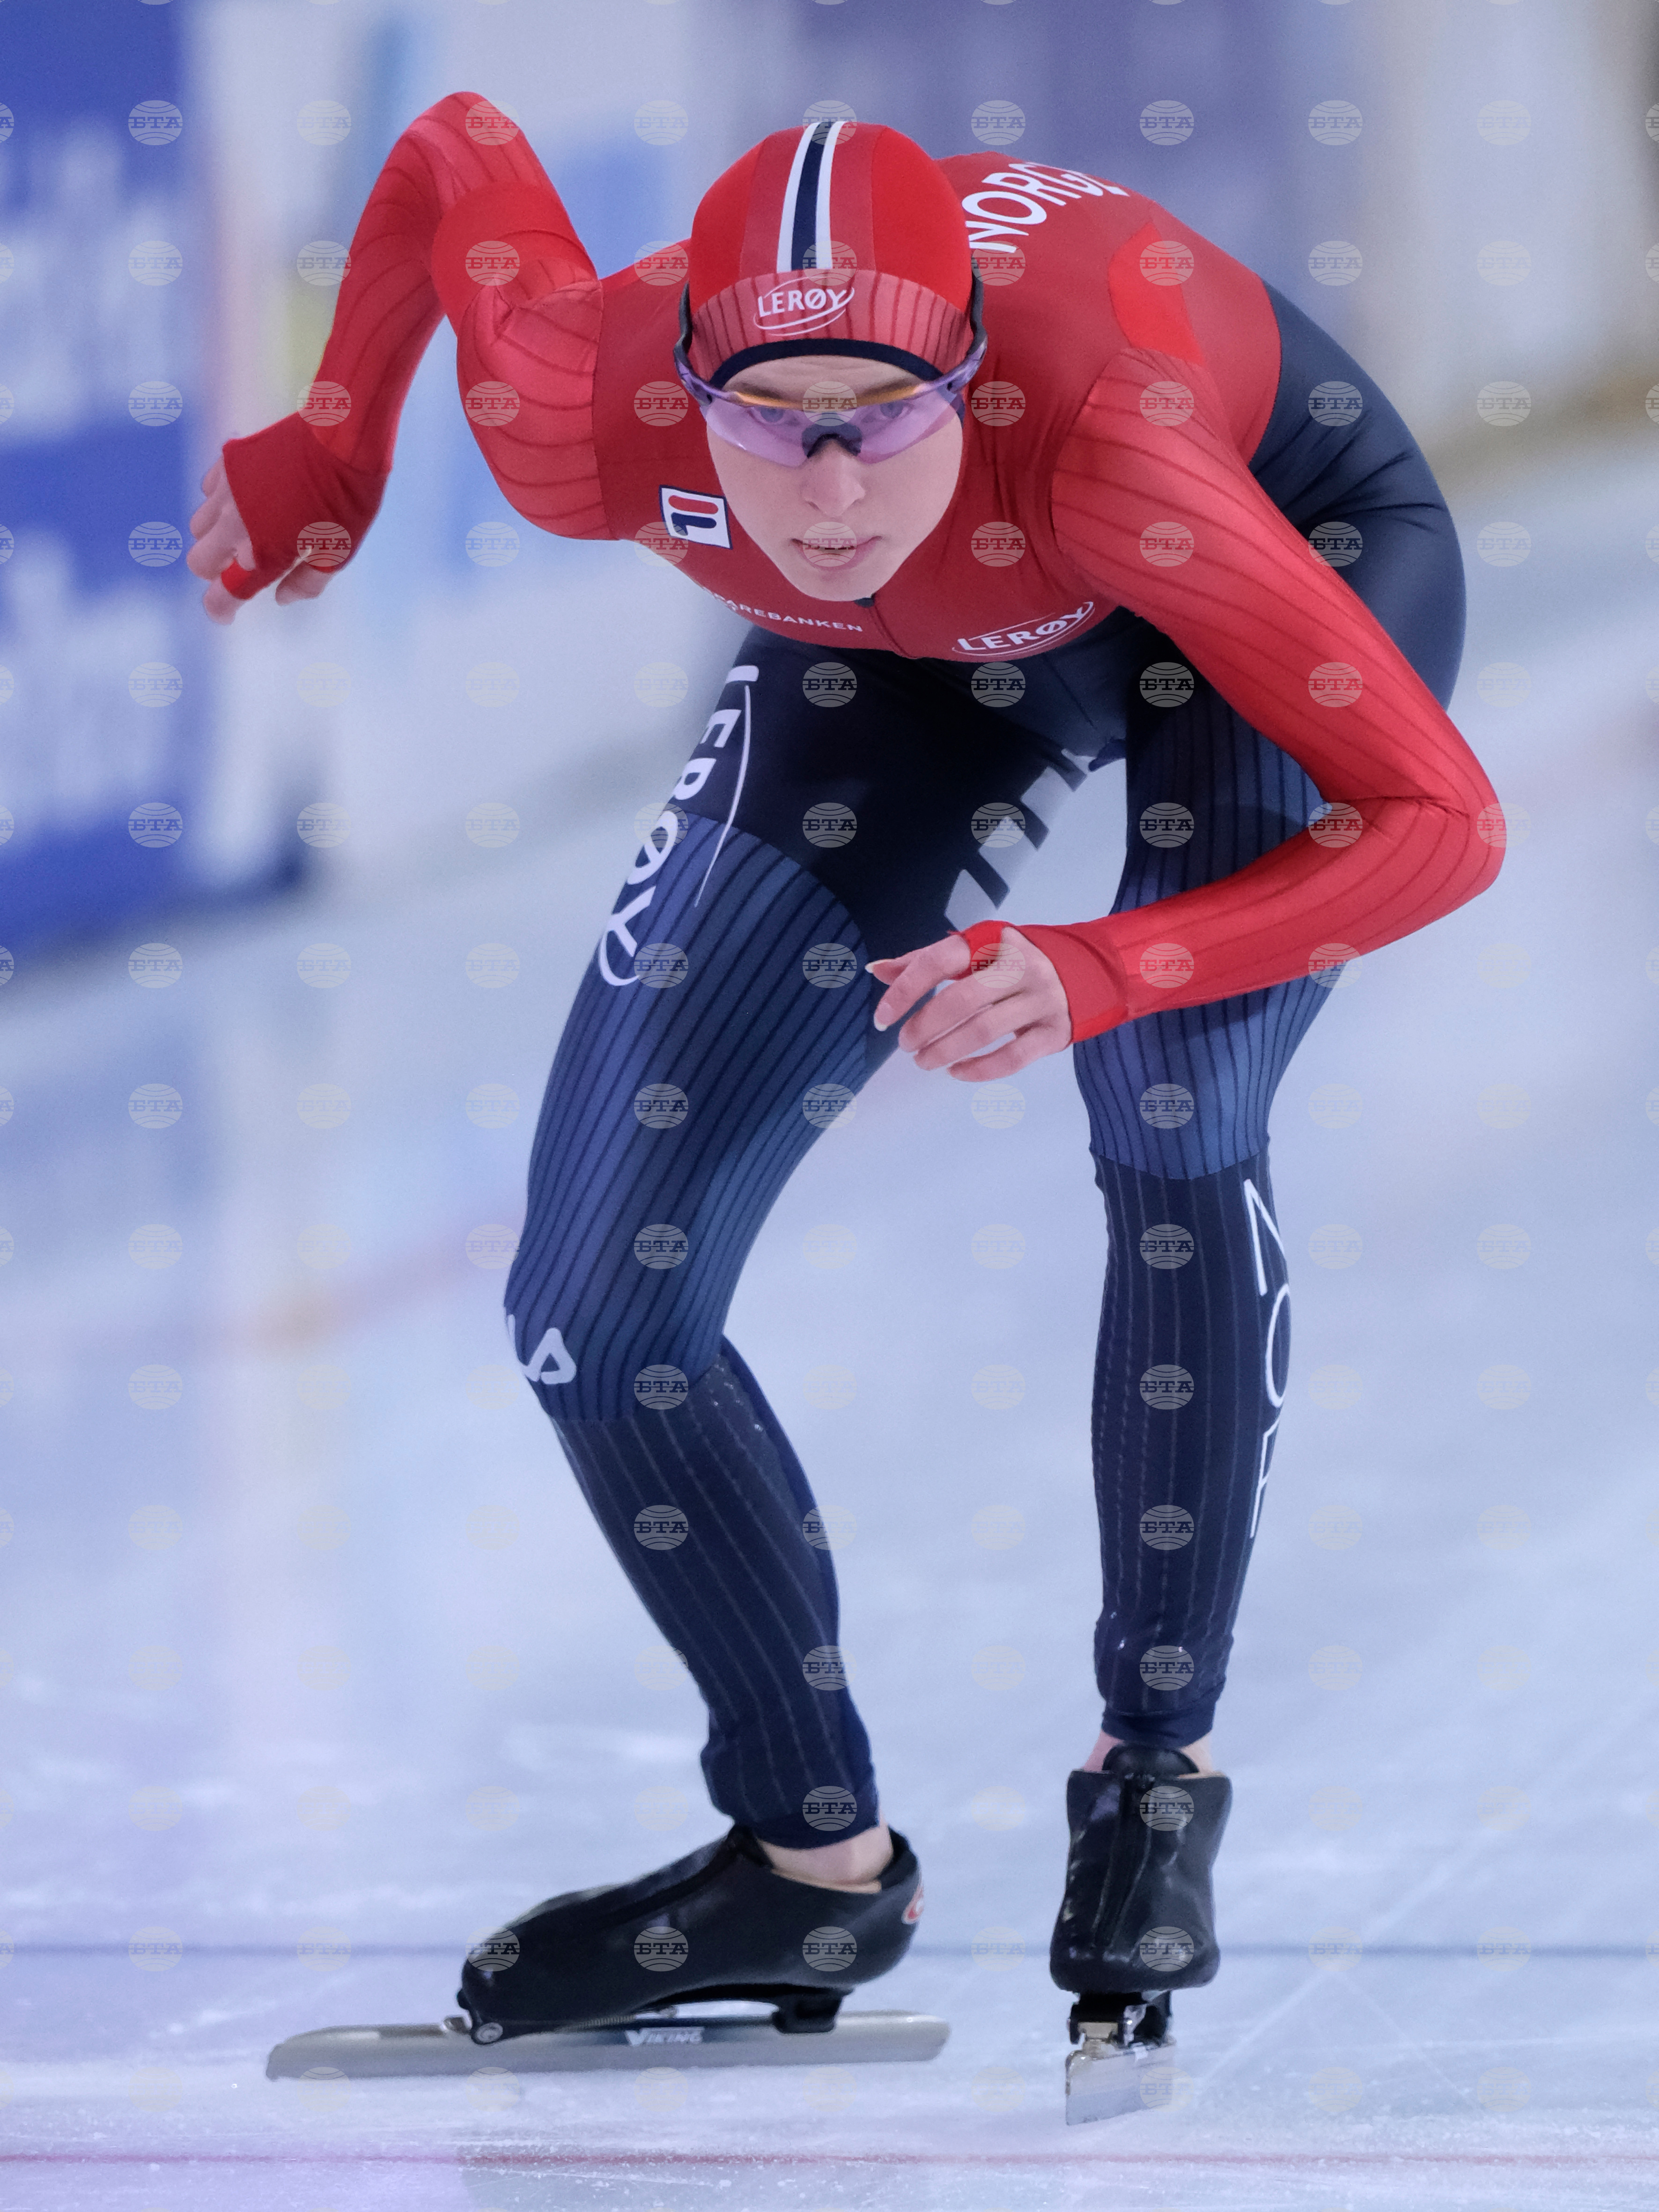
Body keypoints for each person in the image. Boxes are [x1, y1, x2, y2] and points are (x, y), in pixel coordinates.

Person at [189, 96, 1501, 2070]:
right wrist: (335, 440)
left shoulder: (1112, 449)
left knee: (1166, 1096)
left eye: (883, 416)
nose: (820, 487)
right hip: (911, 648)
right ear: (679, 383)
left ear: (966, 377)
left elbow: (1445, 822)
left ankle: (1154, 1775)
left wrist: (1102, 965)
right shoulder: (576, 408)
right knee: (594, 1306)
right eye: (771, 417)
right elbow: (454, 151)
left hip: (1249, 556)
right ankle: (810, 1863)